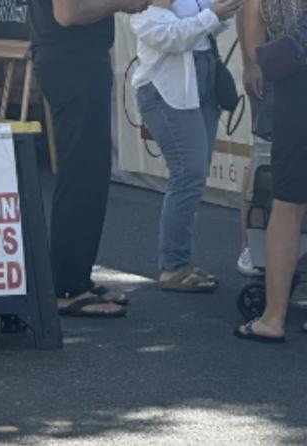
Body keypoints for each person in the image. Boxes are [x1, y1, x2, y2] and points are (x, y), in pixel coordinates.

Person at [28, 0, 149, 317]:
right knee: (81, 172)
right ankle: (68, 286)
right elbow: (69, 13)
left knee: (90, 172)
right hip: (71, 61)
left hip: (75, 58)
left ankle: (75, 275)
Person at [131, 0, 243, 292]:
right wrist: (213, 15)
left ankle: (179, 262)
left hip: (198, 81)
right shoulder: (144, 7)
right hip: (165, 90)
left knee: (194, 174)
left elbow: (213, 26)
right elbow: (171, 37)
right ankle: (173, 265)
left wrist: (219, 15)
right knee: (188, 174)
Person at [234, 0, 307, 343]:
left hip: (295, 83)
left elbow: (252, 13)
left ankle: (273, 317)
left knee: (288, 203)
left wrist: (253, 61)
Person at [235, 0, 275, 276]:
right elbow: (248, 7)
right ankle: (252, 246)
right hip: (276, 75)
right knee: (265, 159)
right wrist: (250, 63)